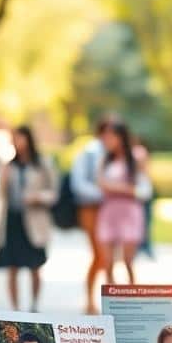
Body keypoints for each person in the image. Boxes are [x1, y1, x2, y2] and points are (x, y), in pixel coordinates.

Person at [0, 125, 57, 312]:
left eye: (21, 138)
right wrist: (3, 178)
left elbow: (53, 193)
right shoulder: (9, 166)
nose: (18, 143)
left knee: (35, 265)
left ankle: (34, 306)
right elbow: (1, 194)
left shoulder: (42, 165)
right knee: (12, 267)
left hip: (34, 221)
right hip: (13, 220)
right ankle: (15, 309)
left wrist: (37, 197)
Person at [96, 118, 149, 285]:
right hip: (109, 213)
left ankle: (133, 298)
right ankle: (110, 301)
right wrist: (124, 188)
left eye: (110, 137)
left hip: (129, 214)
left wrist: (116, 188)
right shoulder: (105, 160)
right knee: (108, 262)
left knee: (128, 261)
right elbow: (101, 185)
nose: (107, 141)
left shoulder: (137, 156)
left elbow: (144, 190)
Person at [70, 120, 106, 314]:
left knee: (108, 257)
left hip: (110, 211)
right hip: (92, 209)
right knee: (100, 255)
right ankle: (90, 300)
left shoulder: (116, 155)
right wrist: (104, 192)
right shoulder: (90, 153)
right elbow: (78, 183)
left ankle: (107, 300)